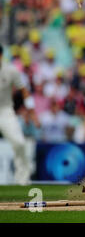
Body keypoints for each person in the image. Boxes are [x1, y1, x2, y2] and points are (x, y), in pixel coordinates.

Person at [0, 44, 37, 185]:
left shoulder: (11, 70)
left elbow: (24, 91)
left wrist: (32, 113)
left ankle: (23, 180)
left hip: (5, 111)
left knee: (20, 143)